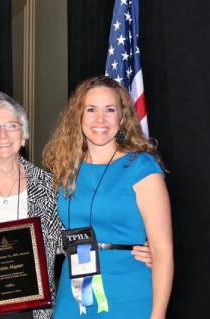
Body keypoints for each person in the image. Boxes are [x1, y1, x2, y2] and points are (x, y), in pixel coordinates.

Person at [0, 91, 153, 319]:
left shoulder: (49, 183)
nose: (3, 135)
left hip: (32, 310)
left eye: (11, 126)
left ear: (24, 135)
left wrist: (130, 247)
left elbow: (70, 236)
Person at [43, 75, 173, 318]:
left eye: (109, 110)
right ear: (78, 115)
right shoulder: (66, 167)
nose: (100, 119)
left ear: (122, 118)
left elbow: (163, 250)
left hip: (128, 292)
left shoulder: (141, 168)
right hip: (74, 295)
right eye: (91, 109)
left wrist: (158, 315)